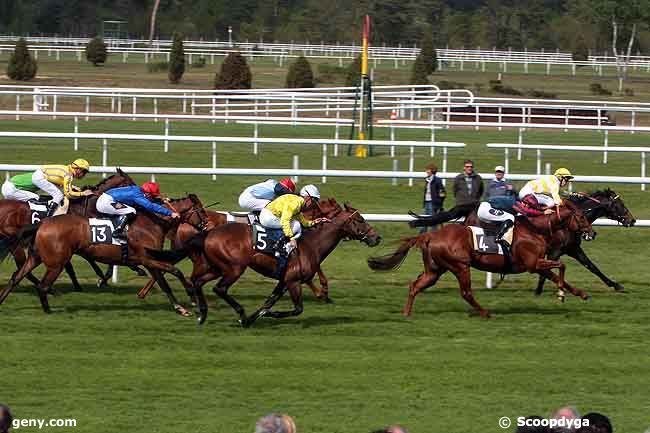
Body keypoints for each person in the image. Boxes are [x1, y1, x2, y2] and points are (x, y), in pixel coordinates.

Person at [1, 159, 93, 216]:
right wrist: (82, 193)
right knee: (57, 195)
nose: (84, 175)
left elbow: (55, 180)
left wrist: (71, 186)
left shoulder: (65, 169)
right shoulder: (68, 175)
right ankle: (48, 216)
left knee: (50, 195)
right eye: (84, 172)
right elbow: (68, 194)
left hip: (10, 185)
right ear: (78, 169)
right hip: (11, 189)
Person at [409, 159, 483, 228]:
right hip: (462, 205)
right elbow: (455, 191)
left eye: (471, 167)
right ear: (464, 168)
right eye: (467, 166)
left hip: (474, 206)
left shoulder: (478, 178)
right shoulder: (458, 178)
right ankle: (418, 222)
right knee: (446, 216)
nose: (469, 168)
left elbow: (480, 191)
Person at [259, 184, 329, 254]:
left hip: (268, 215)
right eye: (314, 200)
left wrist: (315, 222)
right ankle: (284, 248)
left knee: (296, 224)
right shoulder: (296, 203)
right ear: (307, 197)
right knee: (296, 225)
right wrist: (292, 239)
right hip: (268, 217)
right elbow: (285, 220)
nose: (313, 203)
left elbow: (304, 222)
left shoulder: (298, 202)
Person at [96, 181, 179, 240]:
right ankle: (118, 232)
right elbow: (150, 206)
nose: (153, 197)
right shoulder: (137, 195)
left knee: (129, 209)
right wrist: (170, 213)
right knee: (132, 211)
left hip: (107, 198)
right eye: (152, 195)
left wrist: (161, 200)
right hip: (106, 202)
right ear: (147, 193)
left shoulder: (137, 190)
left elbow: (147, 201)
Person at [419, 162, 445, 233]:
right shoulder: (427, 180)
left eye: (428, 169)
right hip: (426, 202)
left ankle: (434, 236)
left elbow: (442, 193)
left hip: (433, 203)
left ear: (432, 170)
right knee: (423, 219)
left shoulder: (437, 180)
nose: (426, 171)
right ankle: (422, 235)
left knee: (433, 221)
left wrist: (439, 203)